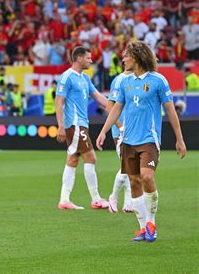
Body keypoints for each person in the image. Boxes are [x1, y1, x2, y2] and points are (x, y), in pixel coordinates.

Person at [96, 41, 186, 242]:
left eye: (126, 56)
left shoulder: (158, 80)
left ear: (136, 57)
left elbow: (171, 111)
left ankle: (151, 223)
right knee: (134, 181)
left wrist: (180, 139)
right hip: (128, 139)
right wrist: (103, 131)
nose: (123, 59)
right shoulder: (124, 82)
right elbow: (116, 108)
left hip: (149, 139)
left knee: (146, 177)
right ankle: (143, 228)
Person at [55, 46, 109, 210]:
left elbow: (98, 97)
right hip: (75, 124)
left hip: (81, 124)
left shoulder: (84, 78)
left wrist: (115, 107)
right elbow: (59, 101)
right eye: (88, 58)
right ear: (79, 59)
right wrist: (61, 126)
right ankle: (96, 199)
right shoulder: (67, 77)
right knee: (91, 157)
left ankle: (64, 200)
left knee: (72, 160)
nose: (91, 61)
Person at [106, 69, 133, 214]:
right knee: (127, 165)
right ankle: (114, 197)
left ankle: (129, 202)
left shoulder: (138, 79)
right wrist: (120, 127)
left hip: (134, 129)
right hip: (121, 130)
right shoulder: (119, 80)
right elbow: (109, 106)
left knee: (130, 166)